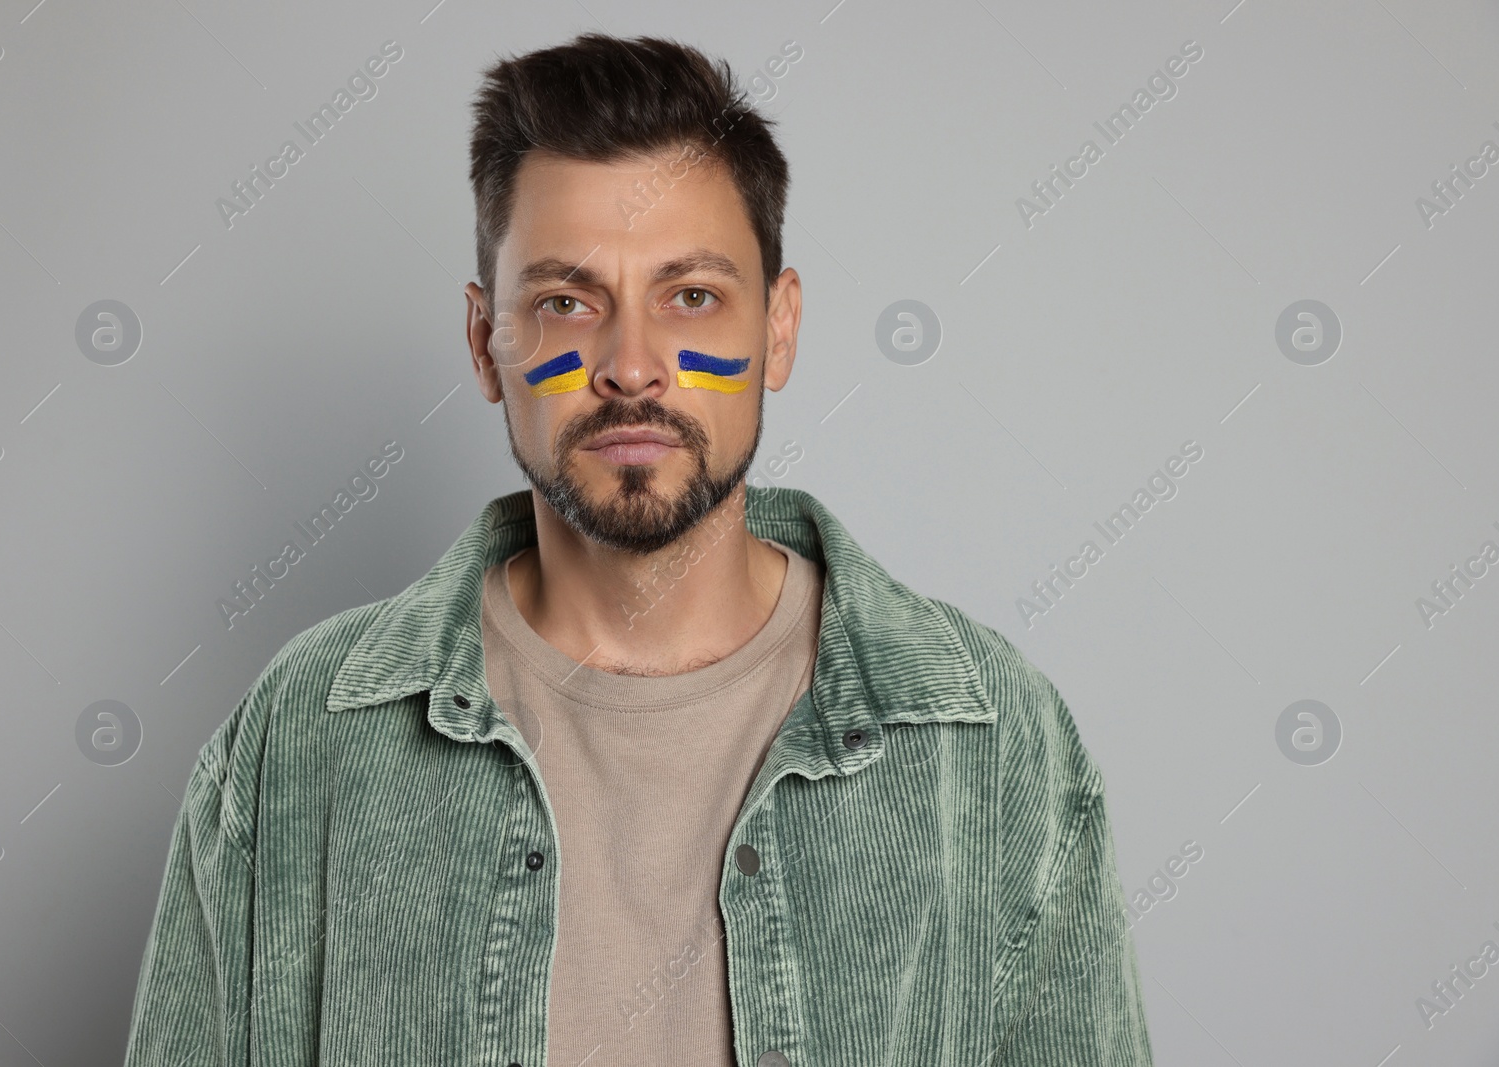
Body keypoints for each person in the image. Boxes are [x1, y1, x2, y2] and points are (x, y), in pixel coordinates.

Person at [123, 32, 1155, 1067]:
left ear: (779, 328)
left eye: (691, 295)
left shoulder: (990, 744)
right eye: (567, 300)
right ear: (488, 343)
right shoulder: (301, 742)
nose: (630, 366)